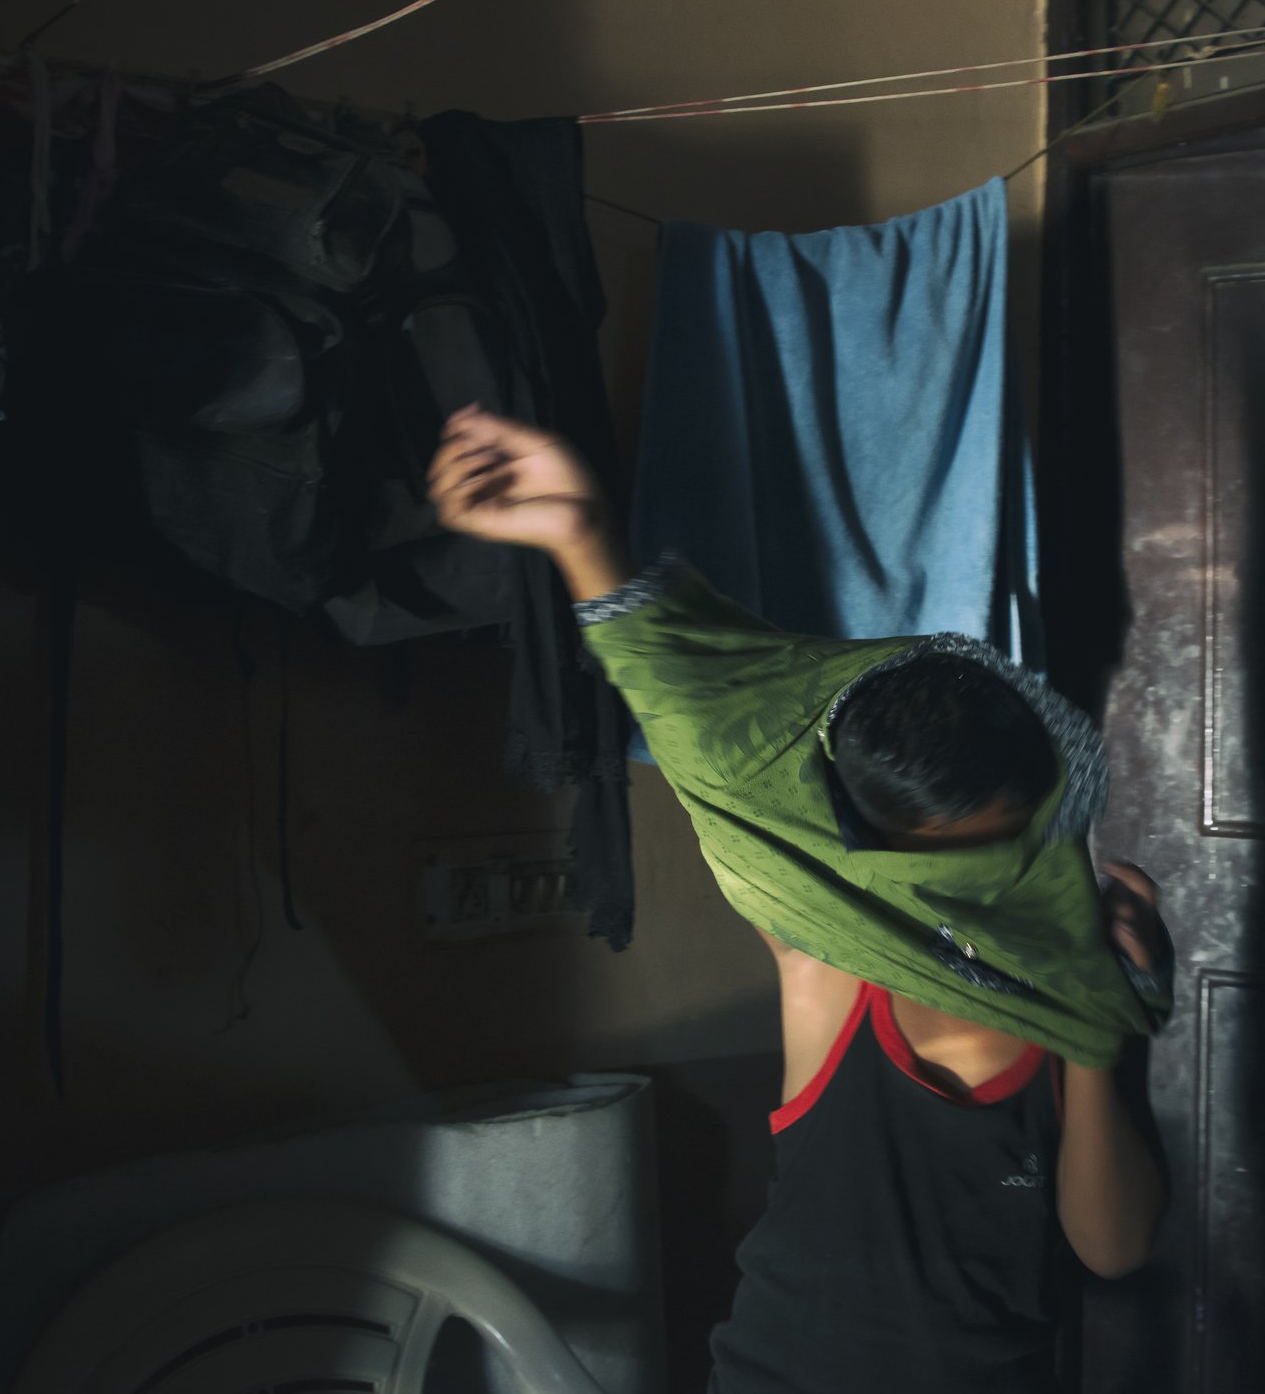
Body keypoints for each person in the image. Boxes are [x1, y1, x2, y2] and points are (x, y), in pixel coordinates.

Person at [426, 405, 1170, 1394]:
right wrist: (579, 537)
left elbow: (1112, 1248)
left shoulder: (1072, 981)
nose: (998, 881)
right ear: (878, 856)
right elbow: (698, 725)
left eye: (1014, 837)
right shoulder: (823, 961)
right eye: (957, 858)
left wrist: (1096, 1024)